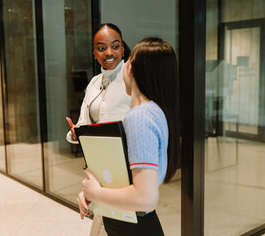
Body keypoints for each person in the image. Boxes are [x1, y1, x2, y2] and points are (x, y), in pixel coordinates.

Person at [79, 37, 180, 236]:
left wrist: (96, 192)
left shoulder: (139, 117)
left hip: (134, 226)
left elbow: (145, 197)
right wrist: (93, 192)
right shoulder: (155, 111)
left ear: (131, 68)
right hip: (134, 222)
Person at [66, 23, 131, 236]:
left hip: (127, 162)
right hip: (100, 162)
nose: (109, 52)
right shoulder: (94, 82)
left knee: (123, 218)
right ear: (94, 52)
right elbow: (84, 121)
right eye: (101, 48)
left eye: (115, 46)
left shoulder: (132, 77)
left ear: (122, 48)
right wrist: (77, 132)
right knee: (106, 218)